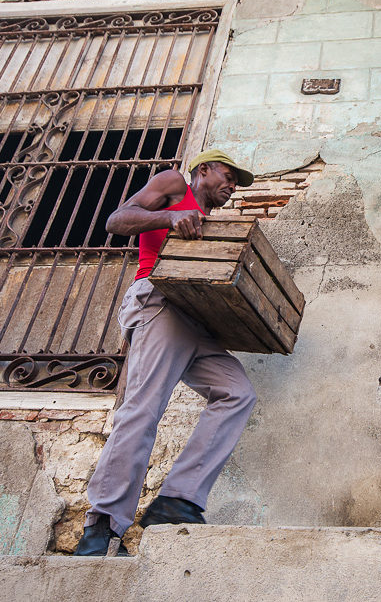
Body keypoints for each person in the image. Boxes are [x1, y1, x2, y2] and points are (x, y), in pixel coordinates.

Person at [74, 149, 256, 556]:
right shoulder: (175, 185)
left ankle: (177, 500)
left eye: (236, 183)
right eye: (228, 175)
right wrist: (168, 216)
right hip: (158, 299)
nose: (231, 186)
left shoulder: (211, 221)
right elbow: (117, 220)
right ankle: (102, 525)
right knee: (143, 408)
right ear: (204, 170)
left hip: (195, 318)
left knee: (237, 392)